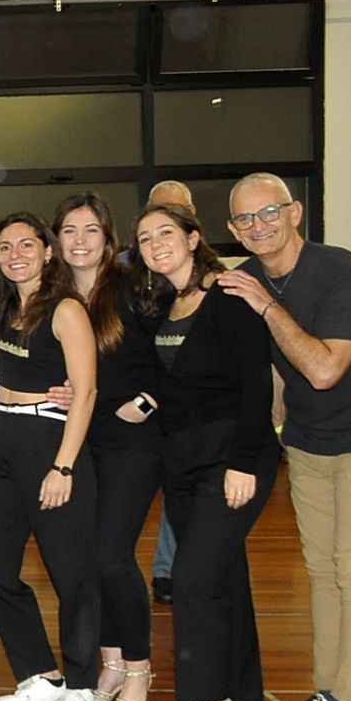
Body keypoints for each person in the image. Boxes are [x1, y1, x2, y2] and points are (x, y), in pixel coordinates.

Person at [217, 174, 351, 701]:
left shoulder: (340, 272)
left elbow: (324, 370)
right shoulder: (245, 278)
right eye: (245, 219)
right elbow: (263, 368)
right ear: (232, 230)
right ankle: (328, 690)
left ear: (295, 212)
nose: (259, 226)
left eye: (269, 212)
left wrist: (266, 305)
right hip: (306, 439)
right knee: (321, 570)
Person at [133, 203, 277, 701]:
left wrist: (243, 462)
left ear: (194, 238)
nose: (155, 244)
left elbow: (255, 385)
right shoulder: (165, 305)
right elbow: (169, 385)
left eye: (165, 233)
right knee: (225, 576)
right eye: (145, 238)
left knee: (193, 577)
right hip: (184, 463)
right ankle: (241, 699)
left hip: (231, 459)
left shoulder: (229, 296)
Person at [0, 212, 102, 701]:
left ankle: (82, 686)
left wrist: (63, 466)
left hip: (50, 440)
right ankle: (39, 676)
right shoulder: (3, 305)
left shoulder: (66, 309)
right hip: (2, 439)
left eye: (27, 245)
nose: (16, 255)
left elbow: (85, 392)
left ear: (48, 252)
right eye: (6, 247)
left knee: (71, 574)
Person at [54, 194, 161, 701]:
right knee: (89, 557)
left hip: (131, 441)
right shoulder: (50, 294)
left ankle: (139, 667)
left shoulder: (133, 286)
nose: (79, 241)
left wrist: (146, 402)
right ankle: (112, 660)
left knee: (112, 556)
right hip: (80, 438)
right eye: (69, 231)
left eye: (90, 230)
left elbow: (172, 351)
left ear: (107, 237)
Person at [144, 181, 197, 602]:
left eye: (171, 223)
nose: (158, 241)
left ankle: (171, 570)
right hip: (154, 420)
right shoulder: (140, 280)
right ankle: (167, 570)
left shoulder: (218, 286)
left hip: (202, 429)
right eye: (149, 233)